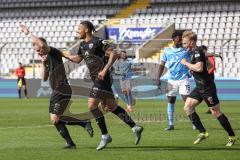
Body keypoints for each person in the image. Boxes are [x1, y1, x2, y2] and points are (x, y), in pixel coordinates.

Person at [67, 21, 143, 151]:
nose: (77, 31)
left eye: (79, 28)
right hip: (96, 79)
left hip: (103, 78)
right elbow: (78, 59)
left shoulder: (99, 42)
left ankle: (105, 135)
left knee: (92, 105)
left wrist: (105, 70)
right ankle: (135, 127)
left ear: (86, 30)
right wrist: (63, 55)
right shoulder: (82, 45)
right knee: (111, 106)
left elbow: (113, 54)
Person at [20, 24, 93, 149]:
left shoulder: (52, 51)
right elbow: (43, 78)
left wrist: (28, 33)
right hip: (57, 90)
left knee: (56, 118)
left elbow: (42, 45)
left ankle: (80, 129)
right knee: (56, 120)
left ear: (44, 46)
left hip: (62, 89)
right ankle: (75, 135)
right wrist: (43, 63)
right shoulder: (46, 58)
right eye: (36, 50)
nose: (37, 51)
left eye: (38, 48)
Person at [181, 30, 236, 146]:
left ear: (191, 42)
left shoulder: (196, 51)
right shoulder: (195, 50)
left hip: (207, 87)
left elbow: (199, 68)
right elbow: (203, 54)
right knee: (187, 107)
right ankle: (203, 132)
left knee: (215, 112)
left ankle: (231, 136)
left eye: (185, 43)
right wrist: (213, 54)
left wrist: (186, 64)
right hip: (199, 86)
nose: (184, 45)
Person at [156, 31, 191, 131]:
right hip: (171, 80)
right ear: (174, 39)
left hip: (184, 79)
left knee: (187, 101)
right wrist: (158, 78)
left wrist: (191, 70)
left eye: (182, 38)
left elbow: (193, 60)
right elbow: (162, 65)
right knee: (171, 101)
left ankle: (194, 123)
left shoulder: (185, 50)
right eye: (179, 38)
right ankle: (171, 125)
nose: (181, 40)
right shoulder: (167, 51)